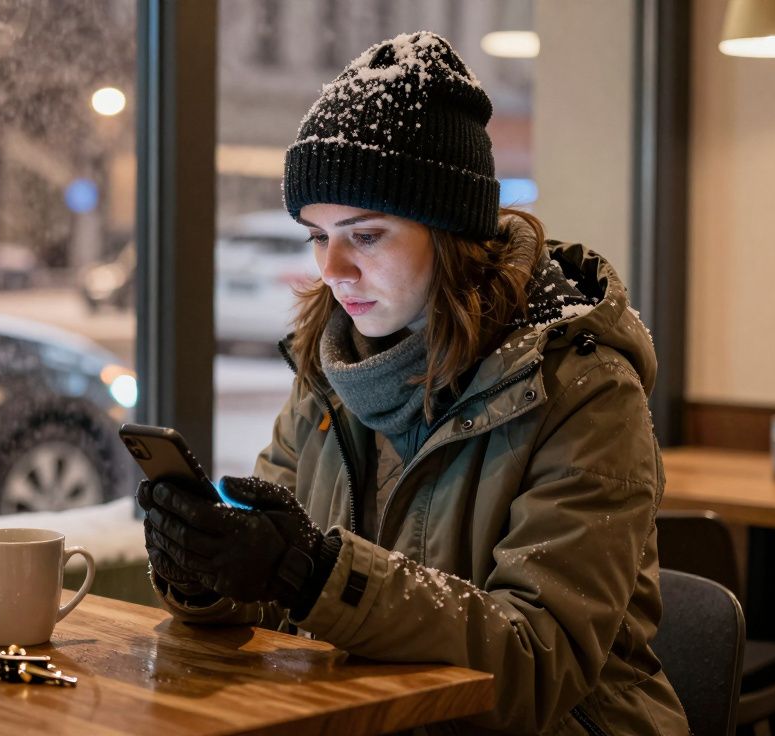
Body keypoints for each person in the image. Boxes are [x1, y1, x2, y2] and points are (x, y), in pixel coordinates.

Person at [139, 31, 689, 734]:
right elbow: (277, 589)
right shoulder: (330, 371)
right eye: (317, 234)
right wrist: (208, 570)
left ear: (453, 232)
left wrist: (314, 573)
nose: (332, 268)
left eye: (365, 236)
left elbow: (534, 666)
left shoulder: (584, 388)